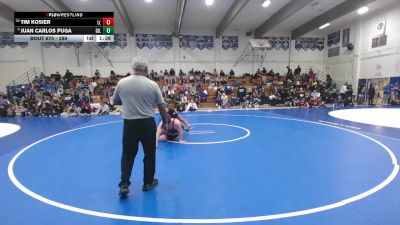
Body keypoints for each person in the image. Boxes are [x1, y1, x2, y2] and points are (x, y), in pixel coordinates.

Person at [112, 57, 170, 197]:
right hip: (147, 123)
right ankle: (148, 182)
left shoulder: (122, 82)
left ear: (133, 68)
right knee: (149, 154)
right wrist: (165, 122)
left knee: (127, 155)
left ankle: (124, 184)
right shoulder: (152, 84)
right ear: (146, 69)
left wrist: (129, 100)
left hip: (129, 123)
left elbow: (115, 101)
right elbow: (161, 107)